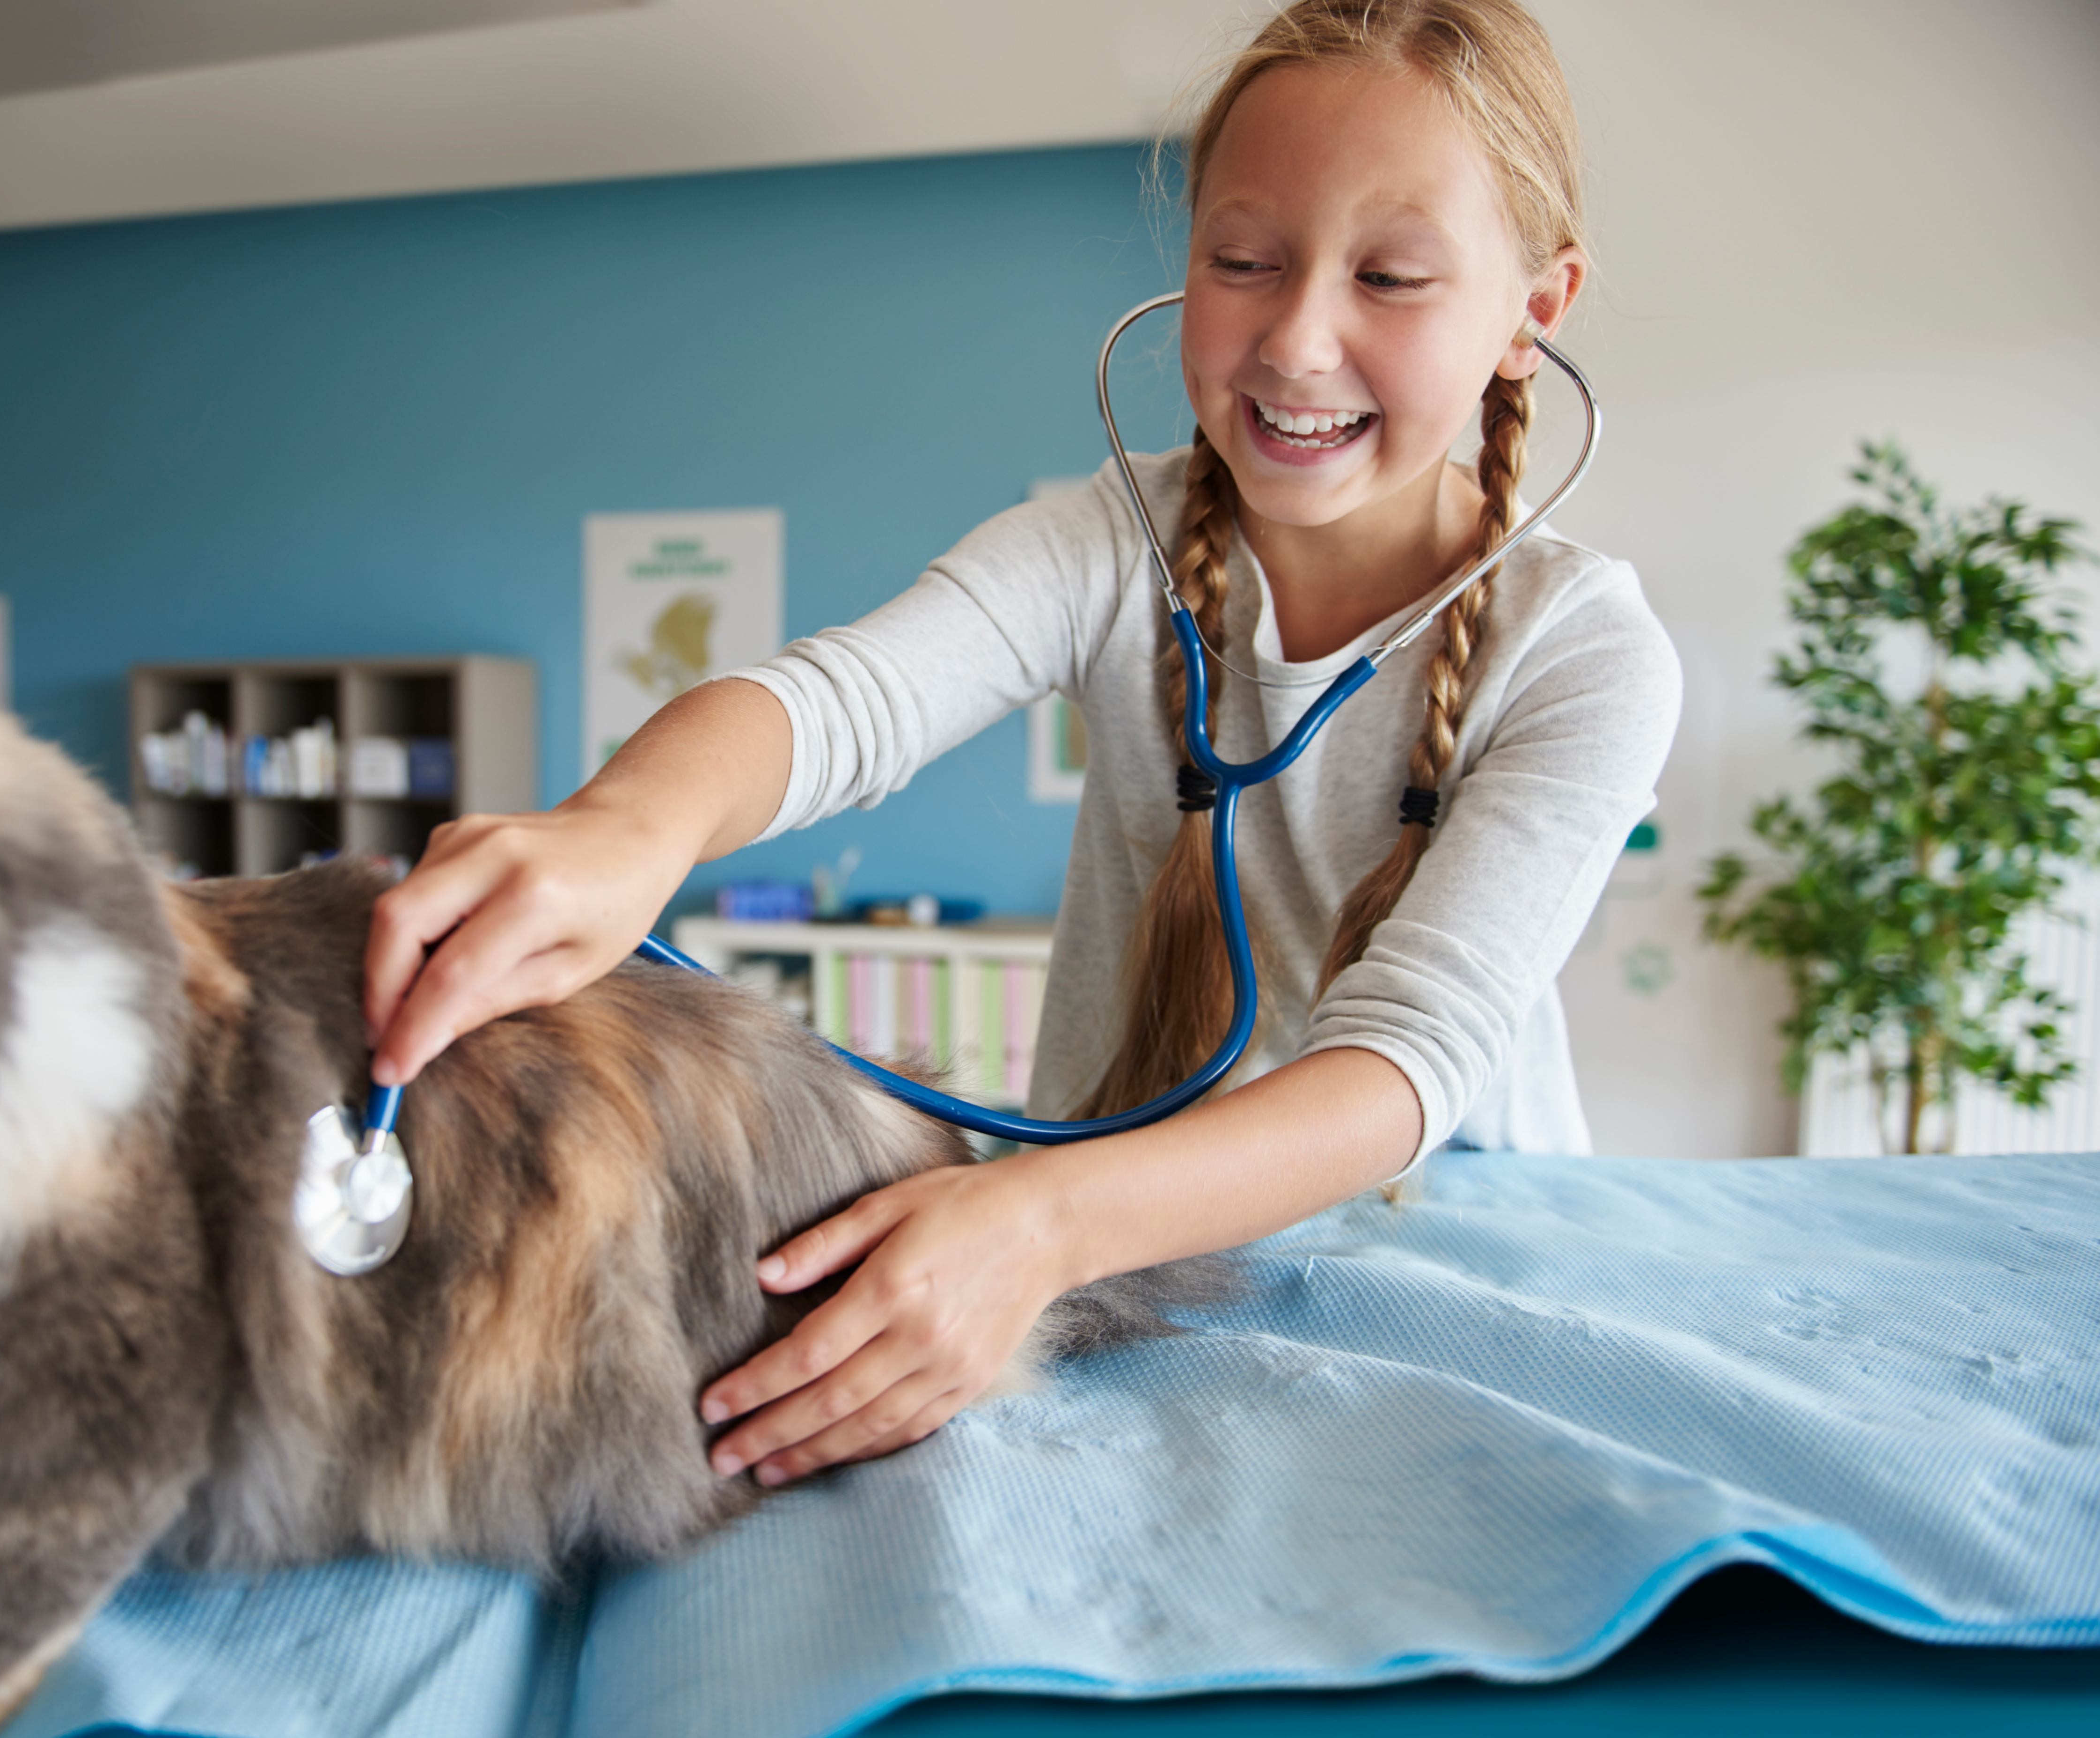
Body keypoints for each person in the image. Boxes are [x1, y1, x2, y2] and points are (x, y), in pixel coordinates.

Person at [362, 0, 1678, 1490]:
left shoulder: (1590, 655)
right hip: (1128, 1294)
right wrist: (624, 828)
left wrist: (1041, 1220)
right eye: (1243, 260)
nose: (1299, 337)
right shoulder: (1109, 545)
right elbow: (846, 701)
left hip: (1452, 1281)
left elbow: (1408, 1057)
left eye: (1391, 275)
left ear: (1534, 310)